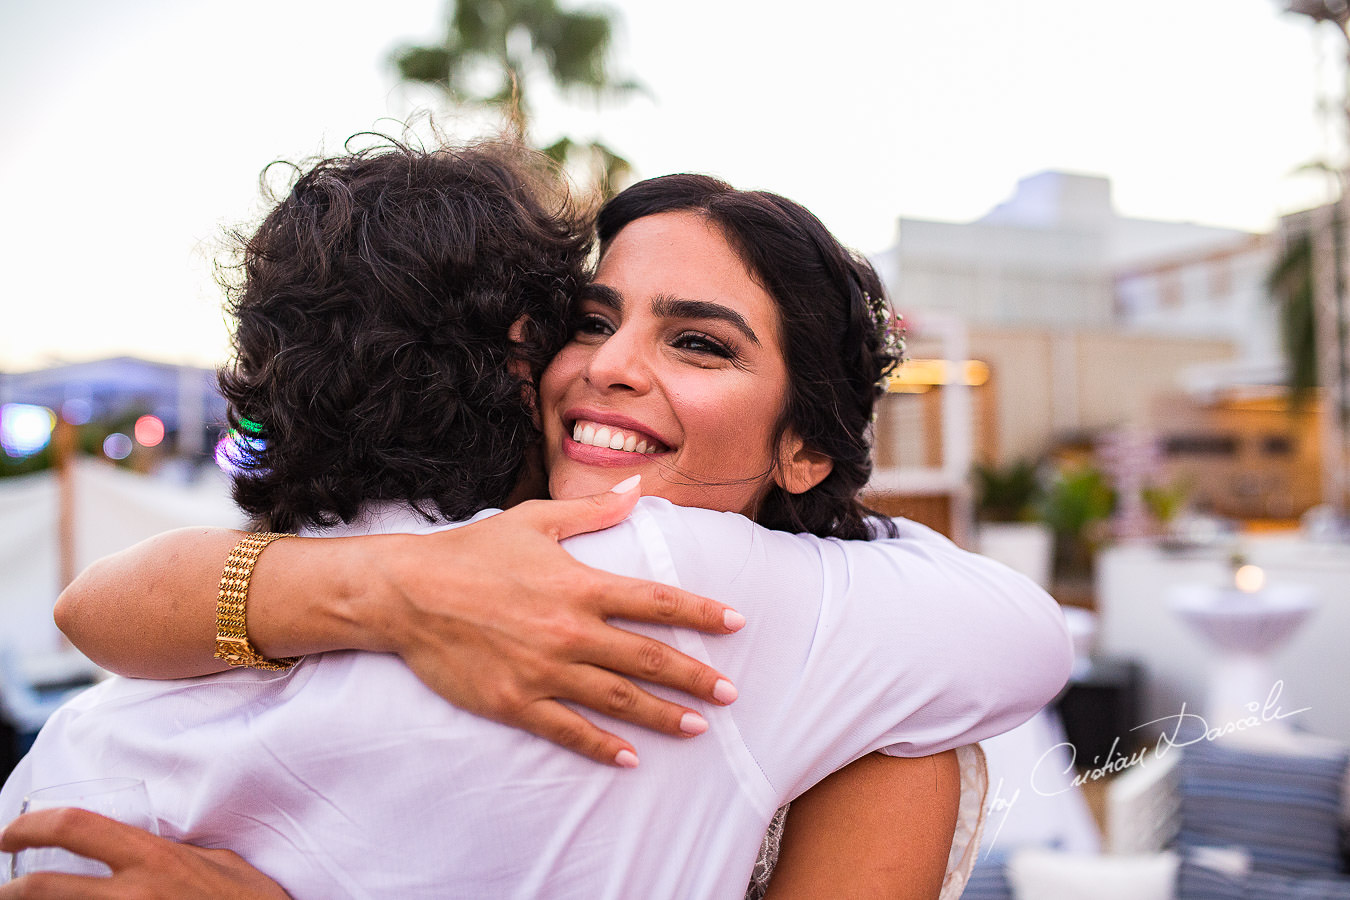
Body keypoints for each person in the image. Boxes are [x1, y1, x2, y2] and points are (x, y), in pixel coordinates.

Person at [0, 142, 1070, 898]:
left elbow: (94, 613)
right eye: (591, 322)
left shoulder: (811, 655)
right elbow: (98, 608)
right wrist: (397, 591)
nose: (609, 364)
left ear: (807, 444)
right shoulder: (426, 563)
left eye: (699, 343)